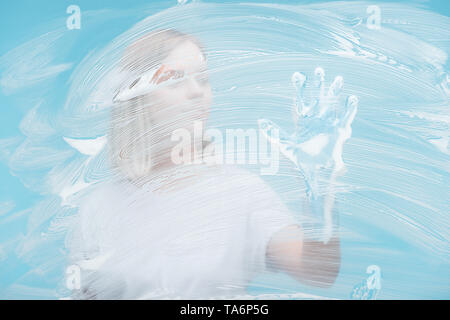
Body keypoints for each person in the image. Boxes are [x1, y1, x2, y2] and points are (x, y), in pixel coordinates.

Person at [68, 29, 340, 299]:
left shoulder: (242, 192)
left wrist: (319, 184)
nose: (196, 92)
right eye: (175, 81)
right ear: (138, 100)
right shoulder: (99, 207)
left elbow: (318, 271)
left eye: (203, 80)